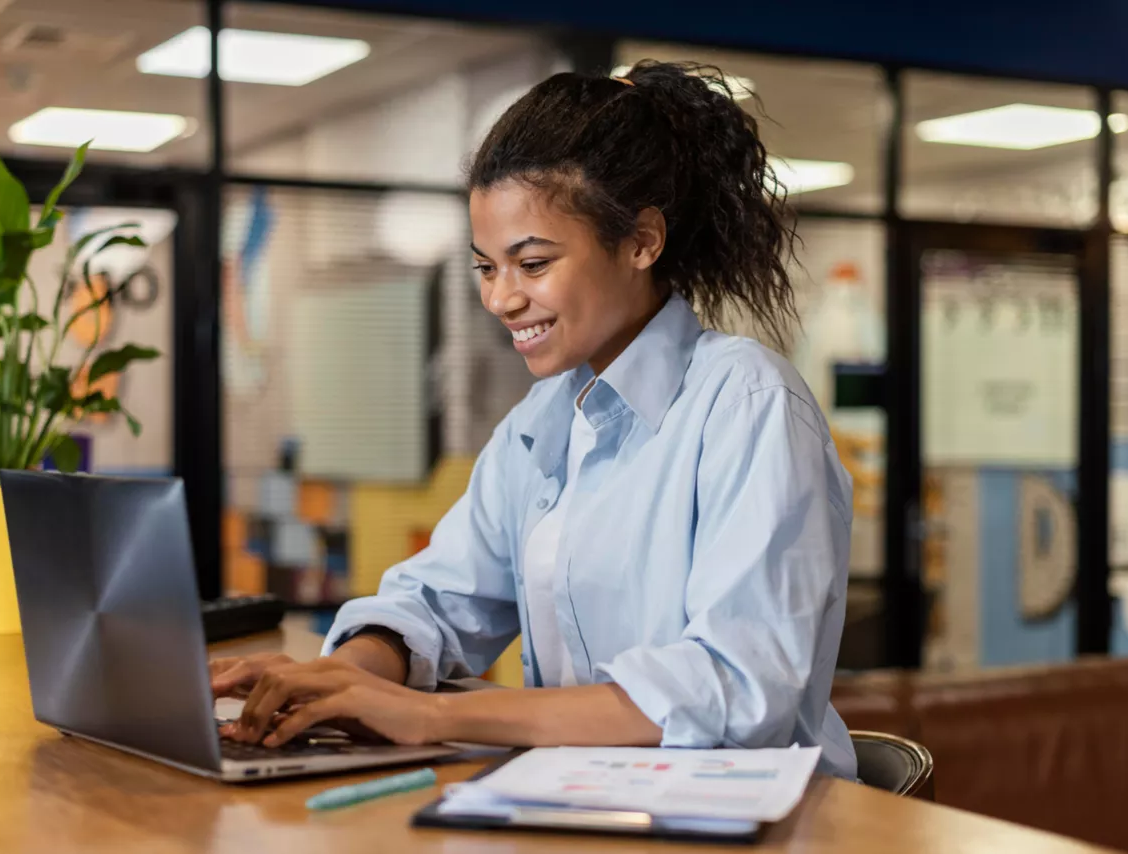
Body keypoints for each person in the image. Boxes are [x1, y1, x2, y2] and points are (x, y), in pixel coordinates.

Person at [213, 60, 857, 779]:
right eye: (487, 267)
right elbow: (437, 597)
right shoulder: (544, 419)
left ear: (643, 241)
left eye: (533, 263)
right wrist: (351, 677)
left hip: (760, 823)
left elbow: (734, 689)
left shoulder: (748, 405)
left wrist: (432, 716)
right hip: (587, 798)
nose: (502, 299)